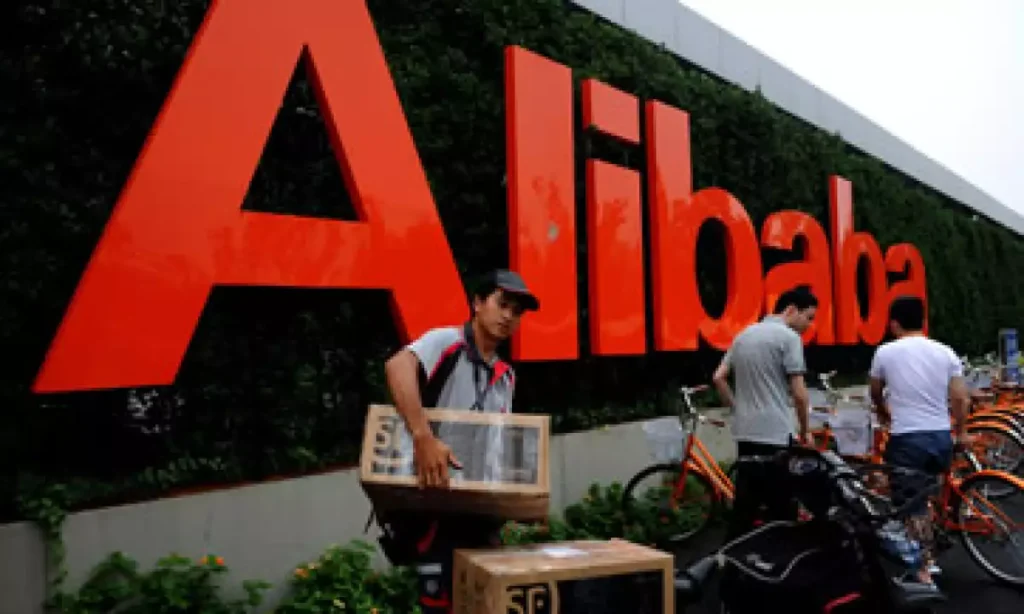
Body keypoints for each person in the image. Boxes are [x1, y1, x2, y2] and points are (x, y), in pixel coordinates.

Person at [380, 269, 539, 614]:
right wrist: (424, 437)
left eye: (517, 312)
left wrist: (521, 503)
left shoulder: (506, 377)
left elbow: (497, 451)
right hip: (434, 507)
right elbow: (397, 367)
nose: (508, 316)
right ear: (477, 303)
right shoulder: (446, 343)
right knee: (439, 605)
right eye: (502, 304)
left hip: (479, 515)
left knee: (485, 603)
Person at [868, 294, 970, 585]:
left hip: (908, 438)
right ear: (923, 322)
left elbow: (875, 391)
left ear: (894, 324)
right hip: (940, 436)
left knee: (911, 504)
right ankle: (933, 538)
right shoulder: (945, 352)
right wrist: (962, 431)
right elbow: (960, 398)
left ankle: (925, 567)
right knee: (930, 492)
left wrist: (883, 411)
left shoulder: (885, 353)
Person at [712, 286, 818, 539]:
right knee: (781, 505)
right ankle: (782, 558)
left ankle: (732, 556)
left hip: (745, 432)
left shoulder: (743, 335)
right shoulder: (789, 338)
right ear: (791, 310)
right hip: (776, 434)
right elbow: (800, 394)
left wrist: (737, 409)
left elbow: (718, 378)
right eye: (808, 317)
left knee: (745, 505)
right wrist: (805, 431)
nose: (809, 325)